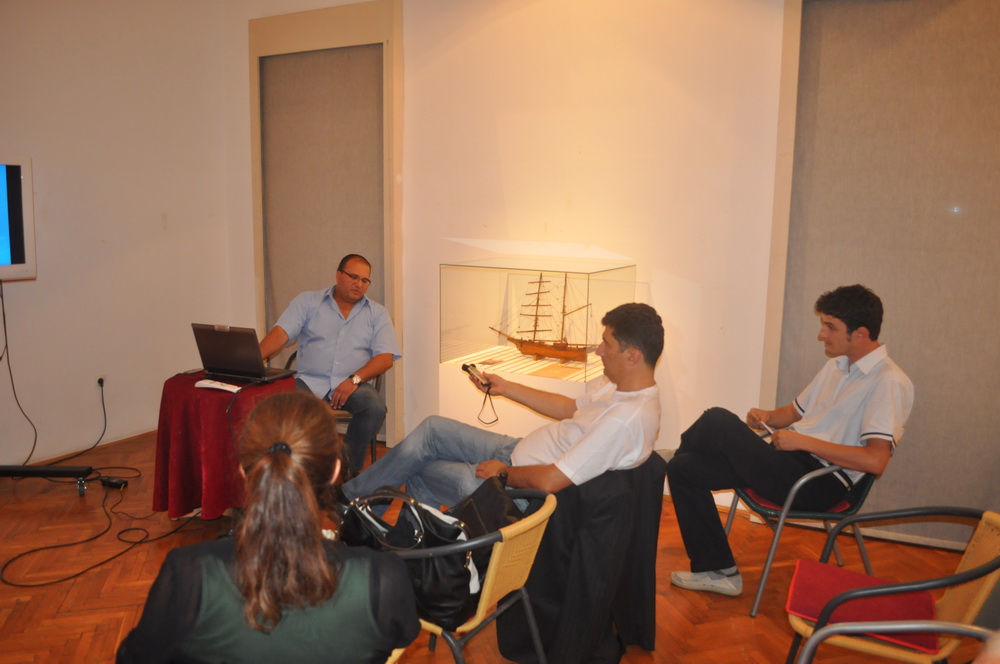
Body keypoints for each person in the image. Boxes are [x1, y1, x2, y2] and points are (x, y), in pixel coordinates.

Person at [116, 391, 419, 664]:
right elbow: (397, 638)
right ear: (335, 472)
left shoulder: (188, 574)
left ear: (244, 471)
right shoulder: (383, 577)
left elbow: (133, 657)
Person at [666, 284, 914, 596]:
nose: (821, 334)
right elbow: (794, 413)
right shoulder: (836, 366)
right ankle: (718, 572)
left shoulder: (889, 382)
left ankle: (658, 467)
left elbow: (876, 461)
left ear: (861, 333)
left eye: (830, 327)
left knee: (716, 419)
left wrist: (805, 443)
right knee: (683, 469)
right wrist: (766, 416)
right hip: (788, 464)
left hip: (820, 482)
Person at [343, 302, 664, 509]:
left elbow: (552, 480)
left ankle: (381, 529)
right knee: (431, 429)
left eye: (606, 343)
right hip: (517, 450)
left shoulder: (626, 419)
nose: (598, 351)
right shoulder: (619, 388)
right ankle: (353, 502)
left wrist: (504, 474)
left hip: (519, 492)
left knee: (422, 469)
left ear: (632, 356)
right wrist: (506, 388)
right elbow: (570, 408)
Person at [260, 253, 401, 475]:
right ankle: (297, 470)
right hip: (309, 380)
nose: (359, 284)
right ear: (338, 275)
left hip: (353, 383)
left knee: (374, 408)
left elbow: (385, 357)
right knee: (282, 404)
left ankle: (346, 472)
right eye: (353, 277)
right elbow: (281, 333)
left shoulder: (377, 313)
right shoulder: (308, 302)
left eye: (365, 280)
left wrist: (354, 380)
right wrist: (253, 358)